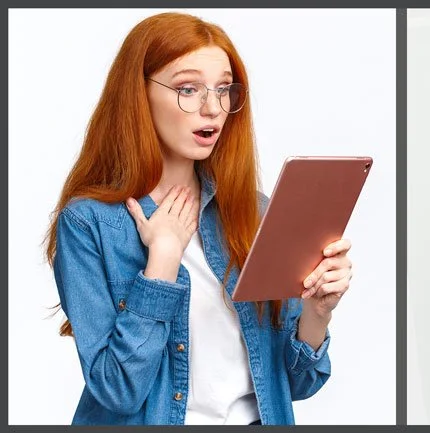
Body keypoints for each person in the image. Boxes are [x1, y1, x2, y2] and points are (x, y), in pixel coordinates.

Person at [45, 12, 357, 425]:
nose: (212, 108)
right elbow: (117, 390)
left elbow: (299, 384)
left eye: (224, 89)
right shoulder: (89, 223)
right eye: (188, 89)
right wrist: (162, 262)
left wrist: (317, 312)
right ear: (138, 95)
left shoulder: (255, 211)